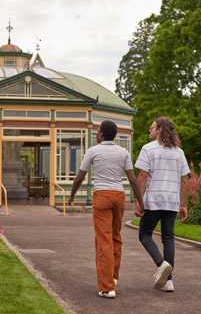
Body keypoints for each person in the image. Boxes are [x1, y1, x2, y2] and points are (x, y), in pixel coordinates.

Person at [68, 120, 144, 299]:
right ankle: (114, 277)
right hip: (119, 196)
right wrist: (141, 201)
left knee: (103, 240)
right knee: (115, 237)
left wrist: (72, 196)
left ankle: (106, 287)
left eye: (97, 131)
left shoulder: (93, 151)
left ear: (101, 134)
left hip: (101, 196)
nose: (96, 133)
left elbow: (80, 177)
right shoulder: (123, 152)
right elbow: (133, 180)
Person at [134, 116, 190, 292]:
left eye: (152, 127)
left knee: (144, 234)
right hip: (172, 201)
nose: (149, 130)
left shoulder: (148, 149)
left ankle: (162, 264)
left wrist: (139, 201)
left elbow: (142, 177)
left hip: (154, 200)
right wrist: (184, 204)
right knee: (168, 239)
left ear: (159, 130)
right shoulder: (178, 152)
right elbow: (185, 180)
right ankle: (168, 282)